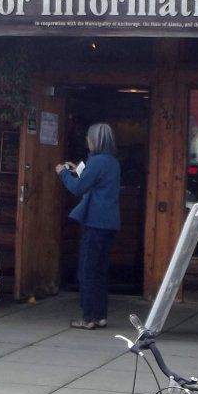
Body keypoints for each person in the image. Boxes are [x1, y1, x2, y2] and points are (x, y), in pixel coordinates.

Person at [56, 123, 120, 329]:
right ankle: (100, 315)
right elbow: (95, 181)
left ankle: (88, 317)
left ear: (95, 140)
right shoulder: (112, 162)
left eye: (88, 137)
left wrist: (63, 173)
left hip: (94, 222)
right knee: (100, 271)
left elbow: (78, 187)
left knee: (87, 271)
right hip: (110, 222)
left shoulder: (97, 161)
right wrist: (79, 170)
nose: (87, 140)